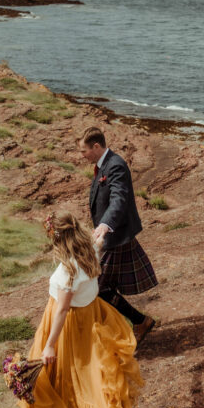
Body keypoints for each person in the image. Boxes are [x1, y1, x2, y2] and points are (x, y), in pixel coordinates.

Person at [20, 212, 204, 408]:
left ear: (57, 240)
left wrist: (50, 345)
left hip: (70, 329)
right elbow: (100, 238)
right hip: (89, 321)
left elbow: (62, 311)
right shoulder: (91, 251)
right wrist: (103, 229)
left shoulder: (67, 269)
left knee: (71, 383)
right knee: (81, 382)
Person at [77, 126, 157, 343]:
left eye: (84, 151)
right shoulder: (102, 165)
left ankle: (140, 321)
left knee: (98, 287)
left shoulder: (116, 165)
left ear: (96, 146)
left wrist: (105, 225)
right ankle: (127, 325)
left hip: (116, 236)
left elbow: (119, 199)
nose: (81, 156)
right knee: (101, 286)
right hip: (109, 237)